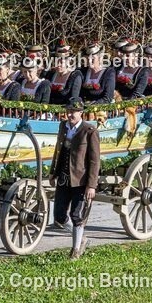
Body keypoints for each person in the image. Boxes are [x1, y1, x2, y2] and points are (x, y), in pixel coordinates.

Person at [49, 97, 100, 259]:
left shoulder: (89, 131)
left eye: (74, 112)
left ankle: (76, 250)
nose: (70, 114)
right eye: (68, 111)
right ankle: (82, 237)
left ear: (81, 113)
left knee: (77, 215)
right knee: (59, 216)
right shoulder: (63, 126)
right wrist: (53, 172)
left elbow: (94, 160)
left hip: (80, 180)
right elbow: (58, 150)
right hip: (64, 178)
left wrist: (91, 185)